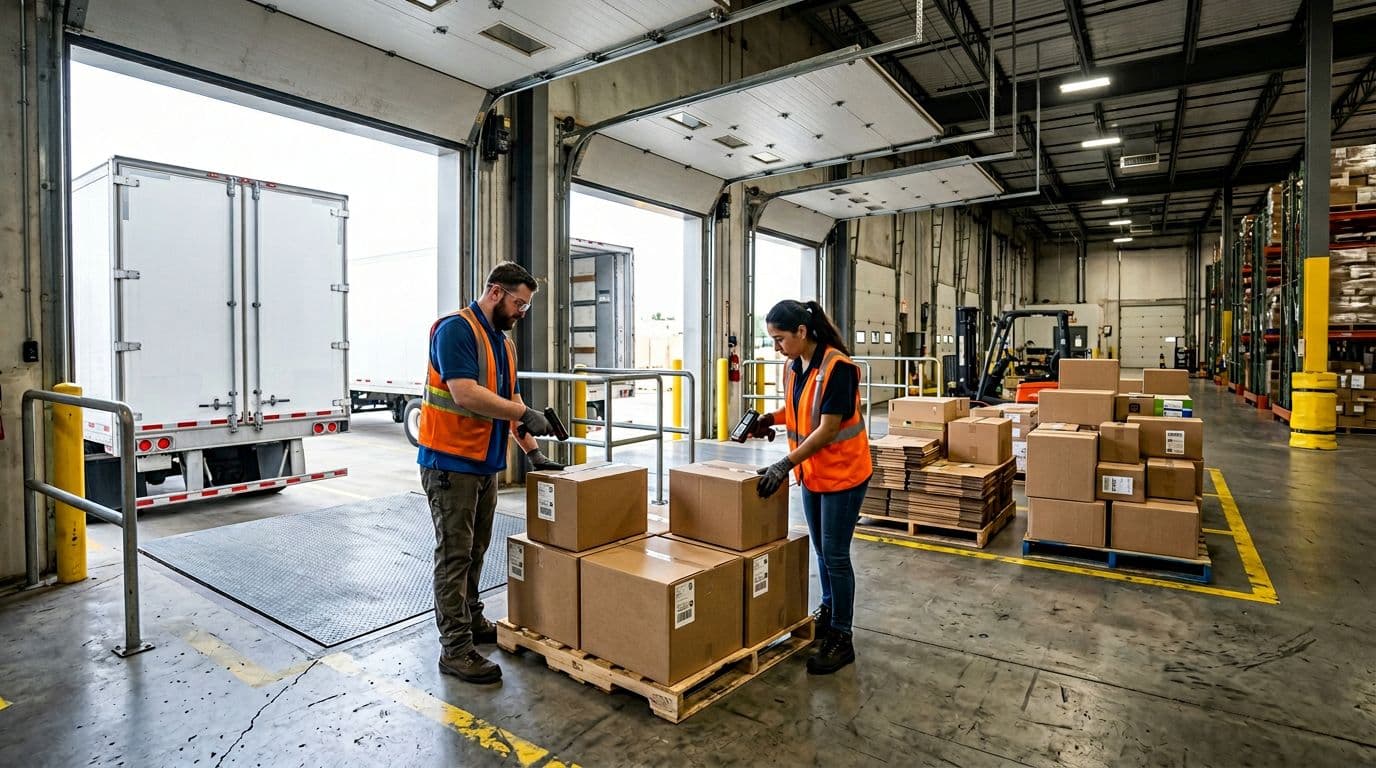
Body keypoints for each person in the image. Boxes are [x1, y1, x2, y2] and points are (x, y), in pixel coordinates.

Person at [417, 262, 564, 684]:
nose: (522, 312)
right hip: (449, 466)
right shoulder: (455, 330)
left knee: (476, 550)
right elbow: (465, 394)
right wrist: (524, 413)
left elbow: (510, 400)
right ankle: (455, 649)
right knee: (454, 556)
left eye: (527, 306)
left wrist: (534, 454)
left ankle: (472, 620)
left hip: (483, 464)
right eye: (519, 303)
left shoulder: (503, 344)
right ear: (495, 292)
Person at [748, 299, 873, 675]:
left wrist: (785, 463)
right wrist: (768, 418)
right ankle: (830, 610)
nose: (776, 347)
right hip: (813, 475)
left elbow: (829, 427)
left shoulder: (838, 368)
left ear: (802, 332)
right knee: (822, 551)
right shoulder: (794, 366)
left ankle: (842, 636)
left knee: (835, 554)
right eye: (772, 339)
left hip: (843, 476)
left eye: (780, 338)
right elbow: (799, 409)